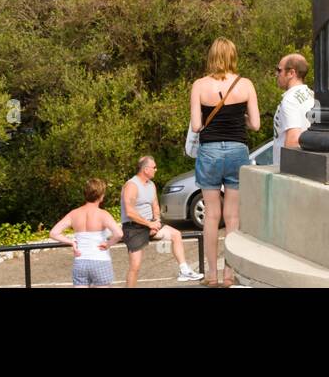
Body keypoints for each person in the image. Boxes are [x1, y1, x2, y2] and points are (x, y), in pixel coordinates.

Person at [190, 37, 260, 287]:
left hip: (209, 152)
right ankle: (229, 274)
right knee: (232, 217)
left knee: (211, 215)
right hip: (237, 150)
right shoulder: (246, 85)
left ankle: (211, 274)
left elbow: (197, 126)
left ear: (211, 57)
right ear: (232, 56)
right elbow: (255, 124)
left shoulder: (199, 85)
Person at [120, 156, 203, 286]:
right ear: (146, 169)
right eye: (154, 167)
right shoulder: (131, 185)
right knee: (135, 267)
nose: (156, 170)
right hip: (133, 227)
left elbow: (155, 206)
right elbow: (130, 212)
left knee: (176, 234)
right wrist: (149, 224)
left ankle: (184, 270)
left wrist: (156, 222)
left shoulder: (151, 184)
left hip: (150, 224)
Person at [49, 178, 122, 288]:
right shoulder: (103, 214)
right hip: (100, 260)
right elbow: (119, 234)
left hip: (81, 261)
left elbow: (54, 233)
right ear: (101, 195)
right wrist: (108, 244)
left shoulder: (74, 214)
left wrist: (72, 242)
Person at [273, 53, 315, 168]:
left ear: (291, 73)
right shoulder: (313, 95)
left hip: (290, 169)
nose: (277, 74)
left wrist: (287, 174)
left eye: (279, 70)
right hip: (310, 165)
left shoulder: (290, 100)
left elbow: (293, 139)